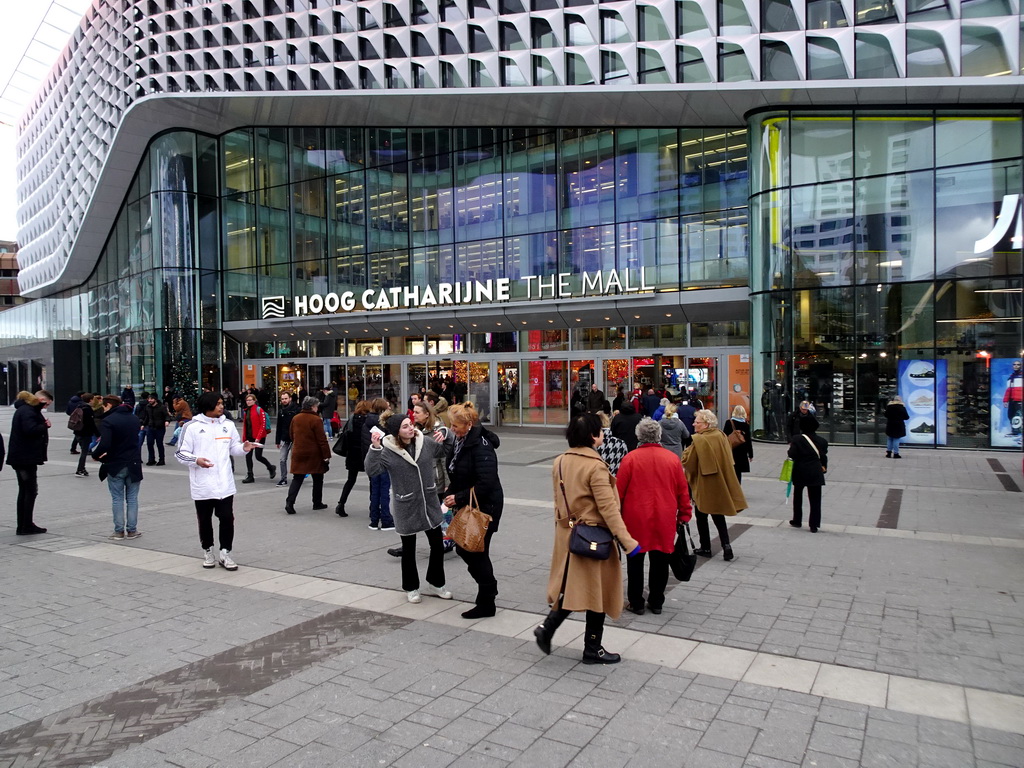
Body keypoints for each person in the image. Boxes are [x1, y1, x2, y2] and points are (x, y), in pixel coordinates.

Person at [534, 412, 640, 664]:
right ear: (593, 436)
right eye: (600, 431)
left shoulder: (559, 461)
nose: (603, 434)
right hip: (594, 537)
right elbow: (609, 509)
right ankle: (593, 648)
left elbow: (559, 502)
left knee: (573, 587)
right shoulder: (595, 466)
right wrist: (628, 542)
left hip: (568, 535)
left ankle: (548, 629)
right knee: (597, 593)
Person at [366, 414, 453, 603]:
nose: (411, 428)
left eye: (411, 424)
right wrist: (374, 448)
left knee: (437, 545)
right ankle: (411, 588)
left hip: (429, 502)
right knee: (409, 549)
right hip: (406, 504)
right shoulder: (388, 451)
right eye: (405, 427)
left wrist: (446, 432)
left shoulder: (425, 442)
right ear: (397, 431)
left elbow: (446, 449)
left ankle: (436, 582)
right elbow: (372, 470)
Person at [175, 391, 258, 569]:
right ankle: (208, 551)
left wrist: (244, 448)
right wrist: (196, 461)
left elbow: (234, 448)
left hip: (225, 485)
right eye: (218, 403)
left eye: (222, 403)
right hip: (203, 486)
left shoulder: (228, 425)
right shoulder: (191, 427)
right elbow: (181, 453)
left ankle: (225, 553)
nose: (222, 406)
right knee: (205, 521)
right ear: (208, 406)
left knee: (227, 519)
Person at [617, 418, 691, 615]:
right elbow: (683, 491)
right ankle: (657, 601)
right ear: (659, 436)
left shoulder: (630, 459)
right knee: (660, 560)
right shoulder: (672, 459)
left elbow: (619, 492)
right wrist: (684, 514)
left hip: (635, 518)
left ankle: (636, 601)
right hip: (664, 516)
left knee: (635, 561)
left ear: (638, 436)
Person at [443, 402, 504, 619]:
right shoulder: (462, 441)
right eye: (451, 425)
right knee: (468, 549)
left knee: (474, 550)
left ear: (468, 424)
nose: (452, 429)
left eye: (455, 425)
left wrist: (458, 496)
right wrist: (450, 492)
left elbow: (486, 482)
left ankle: (487, 598)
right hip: (470, 504)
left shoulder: (480, 445)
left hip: (485, 508)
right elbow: (458, 471)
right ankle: (487, 593)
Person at [682, 409, 747, 560]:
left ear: (705, 424)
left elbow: (688, 462)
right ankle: (726, 545)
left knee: (701, 514)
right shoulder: (721, 435)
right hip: (720, 481)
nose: (694, 424)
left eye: (697, 422)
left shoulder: (699, 440)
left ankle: (705, 547)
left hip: (704, 483)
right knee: (718, 515)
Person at [95, 394, 144, 540]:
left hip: (116, 463)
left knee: (117, 498)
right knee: (132, 498)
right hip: (134, 462)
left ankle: (119, 531)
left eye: (104, 406)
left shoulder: (108, 421)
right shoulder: (134, 418)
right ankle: (132, 530)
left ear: (108, 405)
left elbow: (105, 444)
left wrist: (96, 454)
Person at [7, 390, 53, 535]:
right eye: (46, 404)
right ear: (40, 399)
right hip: (25, 458)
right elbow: (30, 429)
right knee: (29, 491)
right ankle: (25, 525)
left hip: (22, 457)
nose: (45, 407)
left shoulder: (25, 409)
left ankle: (24, 524)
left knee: (25, 491)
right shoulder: (28, 411)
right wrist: (45, 425)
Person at [285, 396, 331, 514]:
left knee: (297, 478)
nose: (317, 408)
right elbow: (322, 440)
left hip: (298, 452)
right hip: (314, 454)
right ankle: (317, 502)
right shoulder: (316, 420)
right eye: (316, 406)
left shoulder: (296, 418)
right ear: (312, 407)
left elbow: (291, 434)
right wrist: (326, 455)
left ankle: (290, 502)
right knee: (318, 478)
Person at [789, 415, 829, 532]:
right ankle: (814, 524)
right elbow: (823, 455)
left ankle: (797, 520)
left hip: (800, 471)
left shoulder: (797, 439)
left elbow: (792, 454)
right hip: (815, 471)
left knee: (798, 496)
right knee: (815, 499)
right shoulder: (822, 441)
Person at [361, 398, 395, 530]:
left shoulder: (366, 422)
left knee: (375, 490)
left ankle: (374, 519)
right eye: (387, 406)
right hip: (384, 460)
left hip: (372, 460)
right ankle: (386, 519)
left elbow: (364, 442)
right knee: (384, 490)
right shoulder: (385, 423)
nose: (390, 408)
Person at [335, 400, 369, 517]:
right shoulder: (368, 421)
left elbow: (346, 434)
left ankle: (341, 503)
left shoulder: (351, 419)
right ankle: (373, 506)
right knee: (372, 481)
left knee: (350, 480)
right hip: (365, 454)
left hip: (352, 454)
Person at [240, 392, 276, 483]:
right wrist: (244, 438)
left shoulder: (259, 410)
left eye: (250, 400)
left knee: (258, 456)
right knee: (248, 456)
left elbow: (263, 424)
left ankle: (270, 467)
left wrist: (258, 437)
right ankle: (250, 475)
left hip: (259, 437)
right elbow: (245, 425)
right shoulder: (246, 411)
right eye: (247, 400)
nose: (248, 402)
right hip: (249, 437)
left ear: (254, 401)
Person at [722, 405, 754, 483]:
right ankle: (738, 488)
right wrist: (750, 454)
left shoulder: (729, 422)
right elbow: (748, 440)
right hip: (742, 451)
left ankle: (730, 487)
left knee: (730, 469)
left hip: (731, 449)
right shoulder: (746, 425)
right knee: (738, 471)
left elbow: (724, 436)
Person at [275, 391, 301, 486]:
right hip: (284, 438)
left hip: (295, 438)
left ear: (290, 399)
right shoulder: (281, 411)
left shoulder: (297, 409)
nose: (284, 400)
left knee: (294, 458)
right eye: (282, 399)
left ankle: (297, 477)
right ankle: (283, 478)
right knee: (282, 459)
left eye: (286, 398)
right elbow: (279, 426)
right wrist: (277, 440)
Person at [73, 392, 101, 477]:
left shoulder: (79, 406)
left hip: (78, 431)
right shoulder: (87, 409)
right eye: (93, 399)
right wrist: (98, 434)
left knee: (83, 451)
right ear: (90, 400)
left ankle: (82, 468)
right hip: (85, 433)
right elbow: (91, 423)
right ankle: (80, 469)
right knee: (84, 452)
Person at [140, 391, 170, 466]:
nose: (149, 400)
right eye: (149, 399)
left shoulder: (161, 407)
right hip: (150, 427)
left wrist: (167, 421)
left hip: (160, 428)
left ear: (155, 399)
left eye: (151, 399)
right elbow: (147, 416)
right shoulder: (148, 407)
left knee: (159, 444)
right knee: (149, 444)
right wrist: (143, 424)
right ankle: (151, 459)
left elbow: (166, 415)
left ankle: (161, 460)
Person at [1004, 360, 1022, 437]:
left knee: (1019, 416)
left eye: (1018, 364)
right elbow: (1008, 391)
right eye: (1014, 364)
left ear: (1021, 366)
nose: (1016, 366)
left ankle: (1019, 432)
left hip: (1020, 400)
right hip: (1012, 400)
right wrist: (1005, 400)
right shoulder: (1010, 378)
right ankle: (1015, 431)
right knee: (1011, 415)